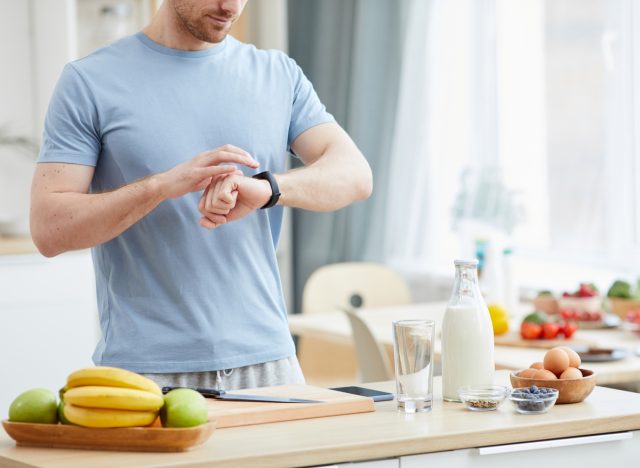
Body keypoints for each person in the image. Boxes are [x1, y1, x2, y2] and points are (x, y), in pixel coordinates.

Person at [30, 0, 372, 390]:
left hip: (271, 365)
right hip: (146, 373)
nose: (230, 6)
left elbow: (355, 175)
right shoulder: (88, 81)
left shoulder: (278, 74)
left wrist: (268, 189)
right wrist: (161, 186)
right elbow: (49, 228)